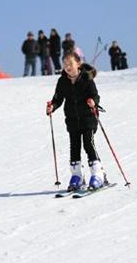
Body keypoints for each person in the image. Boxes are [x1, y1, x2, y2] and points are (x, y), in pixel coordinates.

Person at [46, 52, 105, 191]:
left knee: (88, 144)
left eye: (70, 64)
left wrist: (93, 102)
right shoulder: (62, 81)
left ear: (78, 63)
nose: (67, 67)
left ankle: (98, 174)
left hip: (88, 118)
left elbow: (95, 95)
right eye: (65, 65)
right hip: (72, 120)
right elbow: (58, 99)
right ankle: (77, 176)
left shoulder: (86, 78)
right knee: (74, 147)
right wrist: (52, 106)